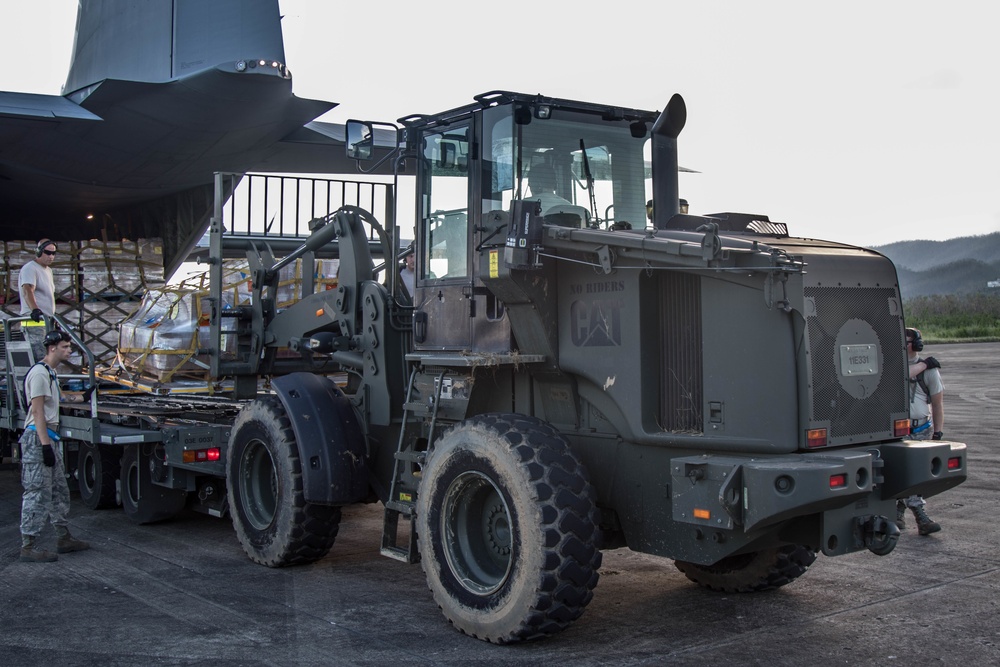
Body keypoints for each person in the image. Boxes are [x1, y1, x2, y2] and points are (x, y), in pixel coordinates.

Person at [19, 330, 90, 562]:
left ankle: (63, 537)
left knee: (58, 490)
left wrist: (83, 397)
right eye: (65, 347)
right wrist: (44, 445)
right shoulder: (39, 373)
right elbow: (37, 411)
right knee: (37, 492)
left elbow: (61, 399)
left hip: (49, 437)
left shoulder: (50, 372)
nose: (69, 351)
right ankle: (28, 546)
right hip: (38, 438)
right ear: (52, 348)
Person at [896, 327, 943, 536]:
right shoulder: (893, 366)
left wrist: (938, 433)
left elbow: (938, 404)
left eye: (906, 341)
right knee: (906, 472)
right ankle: (920, 516)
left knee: (919, 475)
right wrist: (924, 364)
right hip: (899, 430)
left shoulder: (930, 372)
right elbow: (901, 376)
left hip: (923, 428)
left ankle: (899, 510)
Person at [18, 239, 58, 362]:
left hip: (46, 322)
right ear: (39, 252)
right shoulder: (30, 268)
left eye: (53, 253)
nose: (51, 256)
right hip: (34, 322)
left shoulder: (48, 270)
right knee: (40, 359)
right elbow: (27, 290)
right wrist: (35, 309)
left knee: (49, 358)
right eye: (47, 253)